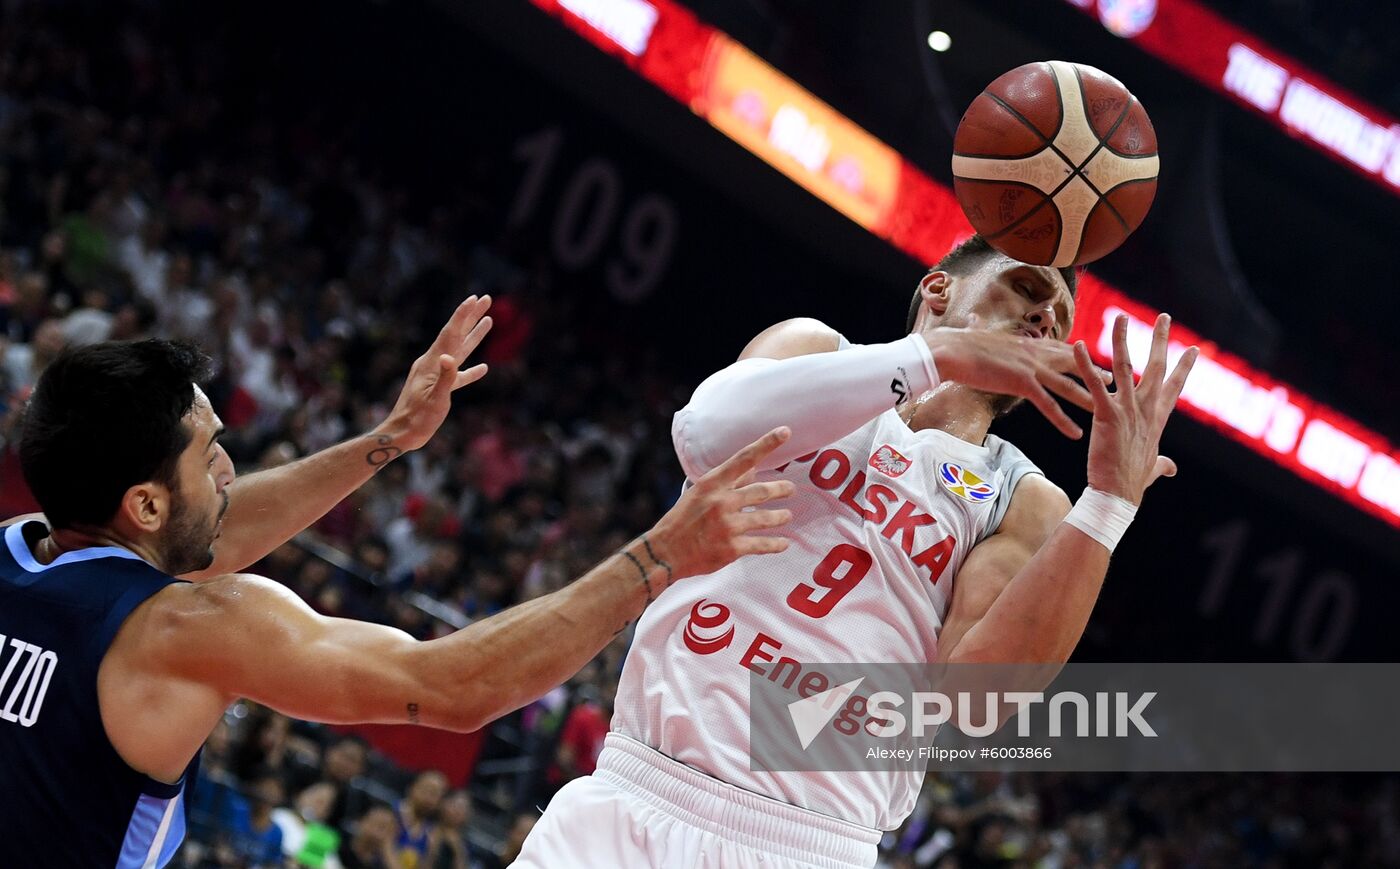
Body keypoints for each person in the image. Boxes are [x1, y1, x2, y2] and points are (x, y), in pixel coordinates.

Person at [0, 296, 797, 866]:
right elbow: (453, 686)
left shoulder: (17, 547)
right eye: (210, 455)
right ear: (142, 502)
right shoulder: (181, 629)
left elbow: (197, 532)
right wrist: (660, 554)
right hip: (761, 805)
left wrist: (384, 442)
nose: (231, 468)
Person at [514, 236, 1199, 868]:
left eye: (1057, 317)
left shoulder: (1021, 500)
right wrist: (938, 359)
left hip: (806, 841)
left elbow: (977, 699)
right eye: (1025, 286)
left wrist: (1109, 504)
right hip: (636, 790)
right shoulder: (814, 349)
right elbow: (705, 433)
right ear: (937, 293)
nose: (1045, 315)